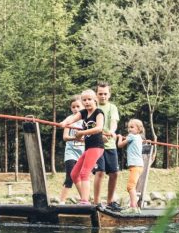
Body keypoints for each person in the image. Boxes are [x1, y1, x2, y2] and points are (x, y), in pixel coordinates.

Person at [60, 89, 110, 205]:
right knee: (73, 174)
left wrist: (82, 133)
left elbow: (99, 128)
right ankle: (84, 198)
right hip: (88, 148)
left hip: (96, 147)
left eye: (89, 99)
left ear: (95, 100)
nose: (87, 102)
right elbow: (71, 118)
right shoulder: (83, 113)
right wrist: (64, 123)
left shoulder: (98, 112)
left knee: (84, 173)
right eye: (84, 100)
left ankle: (84, 201)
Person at [92, 82, 121, 210]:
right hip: (97, 145)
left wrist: (112, 131)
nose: (103, 96)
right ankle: (97, 202)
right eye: (100, 94)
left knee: (114, 173)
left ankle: (110, 201)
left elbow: (114, 121)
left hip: (110, 145)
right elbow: (90, 125)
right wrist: (99, 136)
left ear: (109, 94)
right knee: (100, 171)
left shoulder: (112, 107)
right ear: (96, 95)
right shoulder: (93, 108)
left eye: (105, 94)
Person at [59, 97, 85, 204]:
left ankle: (84, 199)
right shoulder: (69, 120)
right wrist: (75, 138)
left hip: (82, 153)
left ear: (83, 107)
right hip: (70, 152)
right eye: (73, 107)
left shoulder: (86, 120)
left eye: (78, 106)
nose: (75, 109)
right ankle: (62, 201)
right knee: (70, 176)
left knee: (81, 177)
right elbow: (65, 137)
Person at [116, 118, 145, 212]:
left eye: (132, 127)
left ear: (139, 129)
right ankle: (135, 207)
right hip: (139, 165)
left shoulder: (131, 136)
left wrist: (119, 137)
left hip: (135, 165)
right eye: (128, 127)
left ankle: (133, 207)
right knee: (132, 186)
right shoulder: (139, 137)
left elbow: (120, 145)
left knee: (130, 187)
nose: (129, 129)